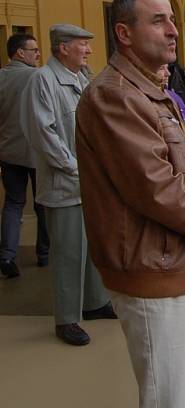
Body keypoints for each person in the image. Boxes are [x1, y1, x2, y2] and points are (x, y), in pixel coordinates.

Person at [76, 0, 185, 407]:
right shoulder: (114, 95)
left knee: (181, 389)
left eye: (172, 19)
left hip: (177, 258)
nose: (172, 30)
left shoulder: (152, 92)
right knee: (168, 395)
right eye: (158, 20)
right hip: (153, 268)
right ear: (124, 33)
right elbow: (156, 189)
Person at [21, 24, 113, 346]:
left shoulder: (81, 78)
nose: (88, 51)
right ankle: (67, 319)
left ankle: (96, 302)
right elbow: (44, 134)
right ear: (63, 48)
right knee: (69, 253)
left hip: (88, 182)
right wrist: (75, 168)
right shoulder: (42, 81)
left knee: (91, 247)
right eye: (82, 45)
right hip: (65, 183)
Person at [0, 34, 49, 277]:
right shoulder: (37, 77)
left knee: (13, 203)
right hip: (36, 151)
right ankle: (44, 254)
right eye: (34, 50)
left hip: (8, 152)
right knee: (42, 204)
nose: (38, 54)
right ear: (20, 52)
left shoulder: (1, 77)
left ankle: (7, 255)